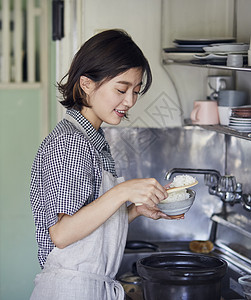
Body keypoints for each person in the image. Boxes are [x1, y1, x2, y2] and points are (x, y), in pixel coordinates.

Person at [30, 29, 183, 300]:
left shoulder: (92, 138)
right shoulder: (71, 142)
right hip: (71, 291)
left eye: (136, 91)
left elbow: (87, 229)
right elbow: (62, 234)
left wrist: (134, 211)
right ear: (87, 83)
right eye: (121, 89)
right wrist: (123, 192)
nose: (130, 101)